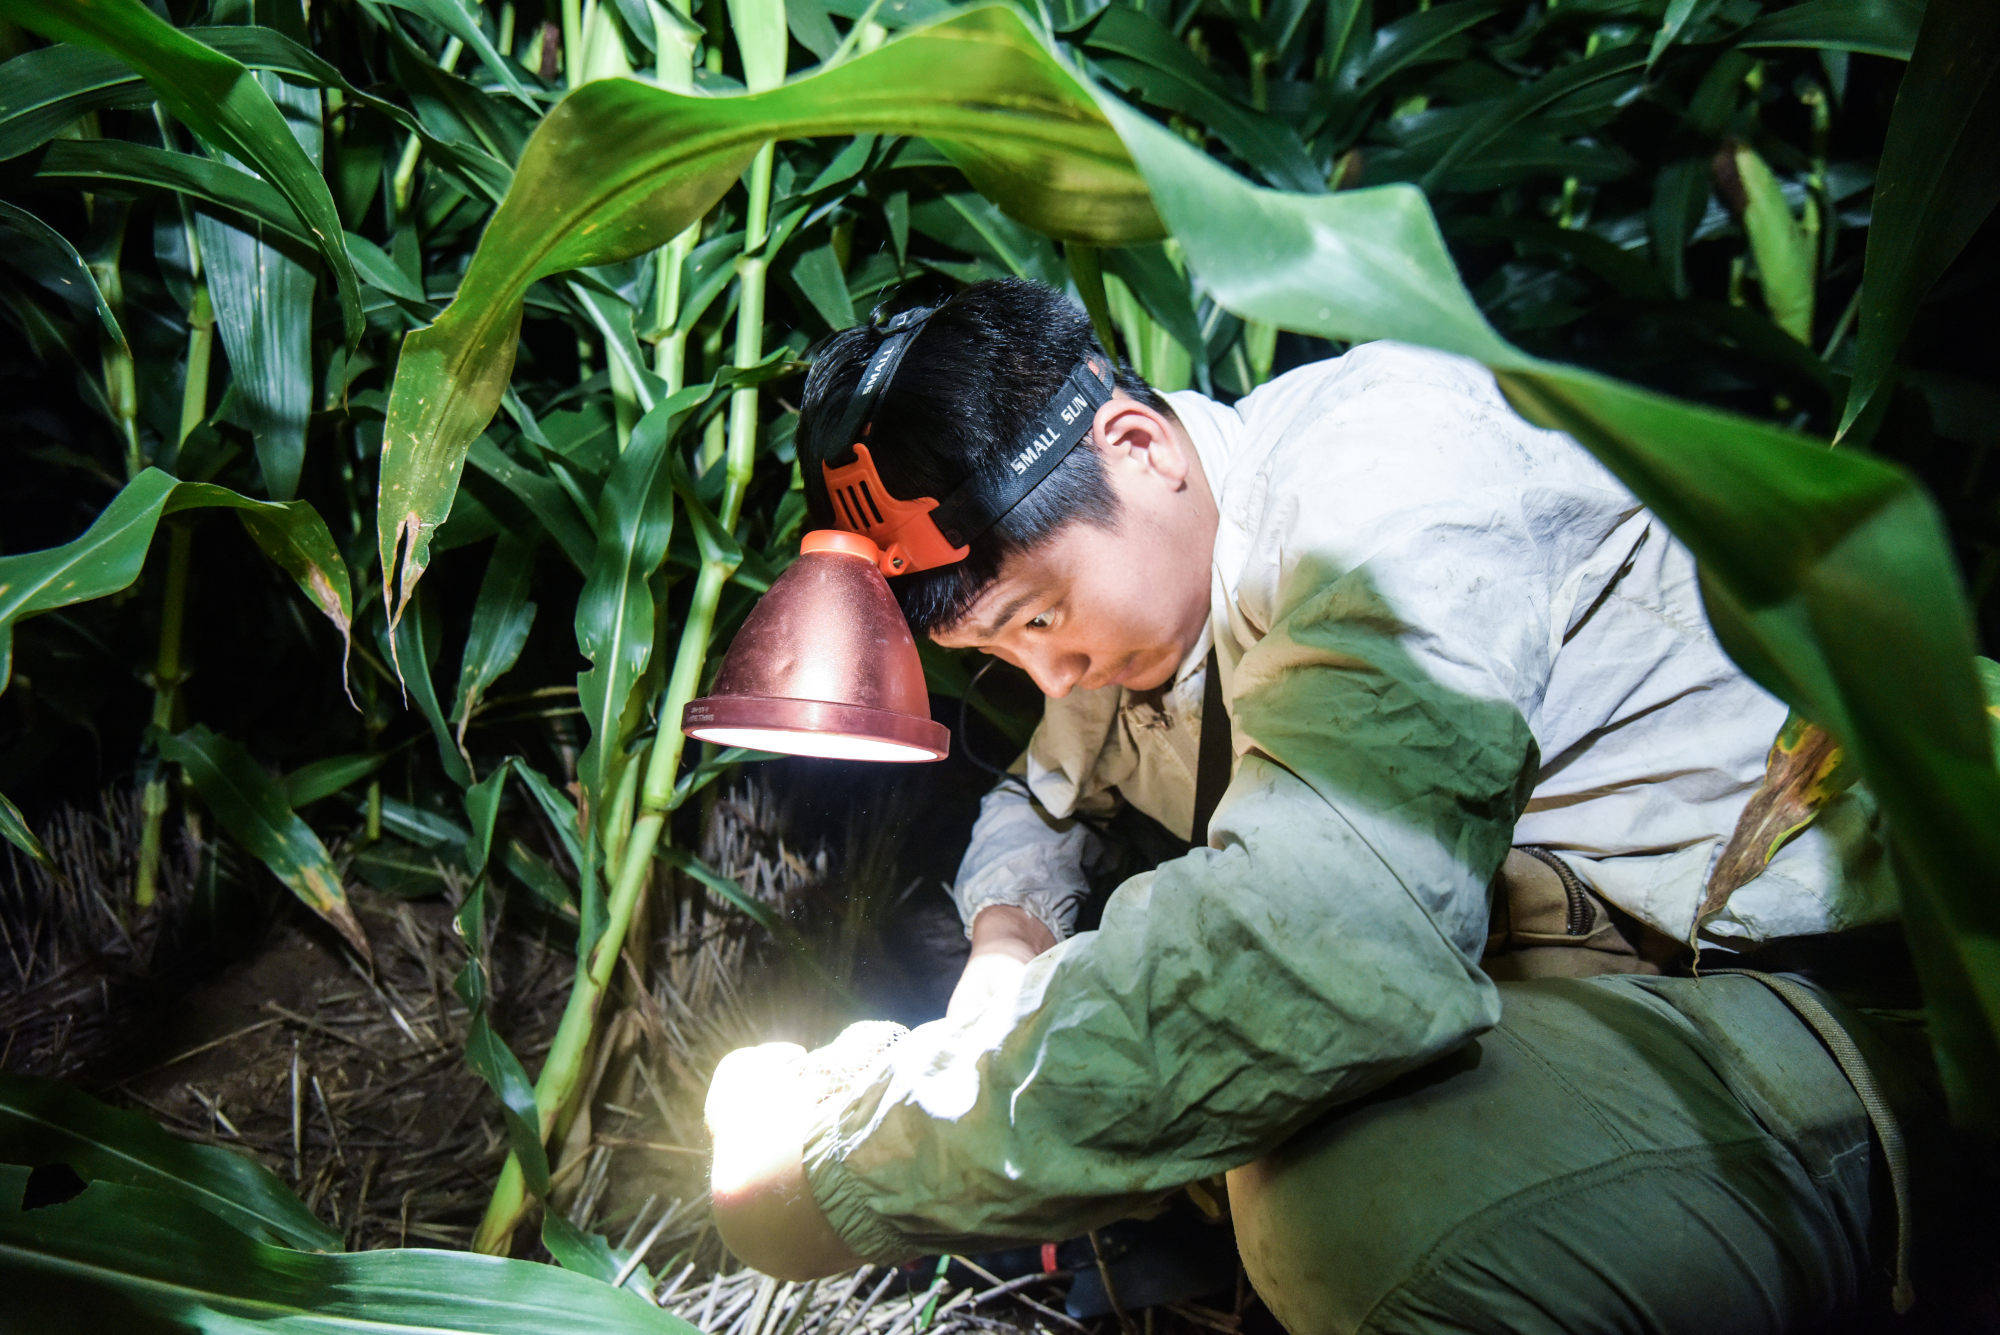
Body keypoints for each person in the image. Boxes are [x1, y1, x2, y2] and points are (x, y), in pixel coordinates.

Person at [703, 278, 1930, 1333]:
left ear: (1140, 447)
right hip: (1621, 1004)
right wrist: (1006, 938)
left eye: (1035, 618)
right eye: (999, 655)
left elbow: (1319, 952)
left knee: (1355, 1206)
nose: (1047, 677)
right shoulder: (1138, 604)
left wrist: (844, 1157)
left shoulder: (1384, 481)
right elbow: (1044, 798)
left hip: (1861, 992)